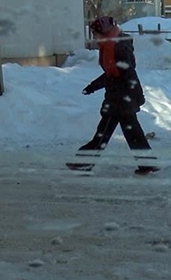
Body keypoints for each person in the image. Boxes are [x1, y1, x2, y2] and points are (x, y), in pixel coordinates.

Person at [66, 16, 160, 175]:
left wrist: (138, 94)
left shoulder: (117, 48)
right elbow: (112, 74)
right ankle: (147, 163)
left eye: (95, 34)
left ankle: (85, 162)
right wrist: (92, 87)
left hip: (119, 99)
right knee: (133, 133)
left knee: (103, 134)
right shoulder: (112, 45)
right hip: (121, 97)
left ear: (103, 32)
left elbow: (128, 73)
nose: (94, 37)